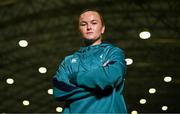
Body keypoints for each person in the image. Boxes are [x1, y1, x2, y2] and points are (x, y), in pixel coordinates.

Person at [53, 9, 127, 113]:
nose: (89, 27)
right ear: (79, 29)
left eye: (94, 23)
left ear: (103, 28)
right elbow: (59, 90)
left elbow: (110, 77)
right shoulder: (68, 61)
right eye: (83, 24)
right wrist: (101, 88)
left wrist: (75, 77)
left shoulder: (113, 53)